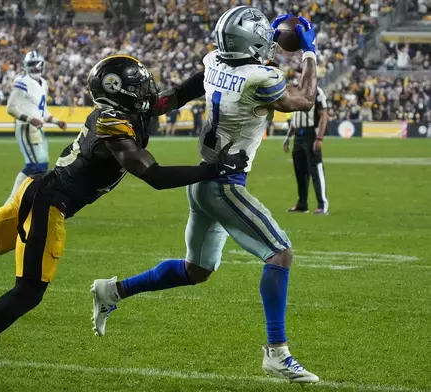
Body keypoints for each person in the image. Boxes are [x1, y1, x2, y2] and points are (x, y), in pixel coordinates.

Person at [0, 55, 249, 385]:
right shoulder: (115, 126)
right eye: (141, 82)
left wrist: (223, 65)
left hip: (36, 190)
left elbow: (181, 92)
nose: (150, 87)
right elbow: (157, 177)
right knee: (27, 292)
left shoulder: (128, 110)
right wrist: (212, 169)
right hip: (49, 202)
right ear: (122, 92)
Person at [91, 9, 320, 384]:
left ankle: (112, 291)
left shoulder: (214, 60)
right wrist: (309, 50)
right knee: (280, 253)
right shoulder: (260, 78)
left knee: (196, 270)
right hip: (224, 183)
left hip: (202, 182)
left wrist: (157, 106)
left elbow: (183, 92)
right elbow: (305, 99)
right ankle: (277, 354)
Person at [4, 51, 67, 204]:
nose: (36, 67)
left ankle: (31, 199)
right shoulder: (22, 81)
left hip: (37, 128)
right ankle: (12, 202)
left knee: (43, 166)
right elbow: (11, 108)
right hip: (26, 127)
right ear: (26, 66)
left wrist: (56, 121)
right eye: (32, 64)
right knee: (33, 165)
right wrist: (29, 119)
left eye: (38, 64)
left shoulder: (43, 83)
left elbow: (42, 111)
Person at [283, 87, 329, 214]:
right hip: (298, 134)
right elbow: (294, 117)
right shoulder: (296, 90)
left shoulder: (317, 91)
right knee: (300, 171)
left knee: (316, 169)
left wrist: (319, 137)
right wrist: (288, 136)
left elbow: (324, 115)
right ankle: (302, 204)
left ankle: (322, 204)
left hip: (311, 134)